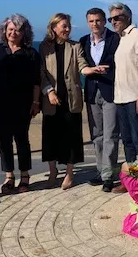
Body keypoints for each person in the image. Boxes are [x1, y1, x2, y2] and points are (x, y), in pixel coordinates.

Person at [40, 13, 99, 190]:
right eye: (63, 26)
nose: (67, 29)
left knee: (71, 138)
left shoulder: (75, 46)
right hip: (51, 100)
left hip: (71, 100)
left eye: (68, 26)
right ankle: (52, 173)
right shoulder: (44, 47)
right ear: (54, 28)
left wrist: (90, 70)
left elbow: (81, 65)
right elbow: (41, 73)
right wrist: (49, 91)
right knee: (50, 137)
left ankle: (69, 173)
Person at [0, 14, 41, 194]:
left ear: (24, 32)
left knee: (21, 139)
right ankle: (9, 176)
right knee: (4, 141)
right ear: (5, 31)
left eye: (17, 30)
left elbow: (37, 81)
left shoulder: (31, 53)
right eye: (10, 29)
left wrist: (36, 102)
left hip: (23, 103)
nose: (13, 33)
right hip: (0, 103)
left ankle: (25, 175)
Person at [107, 2, 138, 193]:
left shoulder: (137, 34)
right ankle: (132, 181)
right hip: (121, 98)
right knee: (126, 139)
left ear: (128, 17)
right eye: (111, 19)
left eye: (116, 18)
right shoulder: (122, 38)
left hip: (135, 97)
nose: (113, 22)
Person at [79, 7, 120, 193]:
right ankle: (100, 171)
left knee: (110, 134)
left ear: (104, 21)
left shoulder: (115, 39)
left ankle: (109, 175)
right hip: (91, 92)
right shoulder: (83, 41)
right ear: (87, 22)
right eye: (91, 21)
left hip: (110, 91)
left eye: (98, 20)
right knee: (97, 135)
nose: (95, 24)